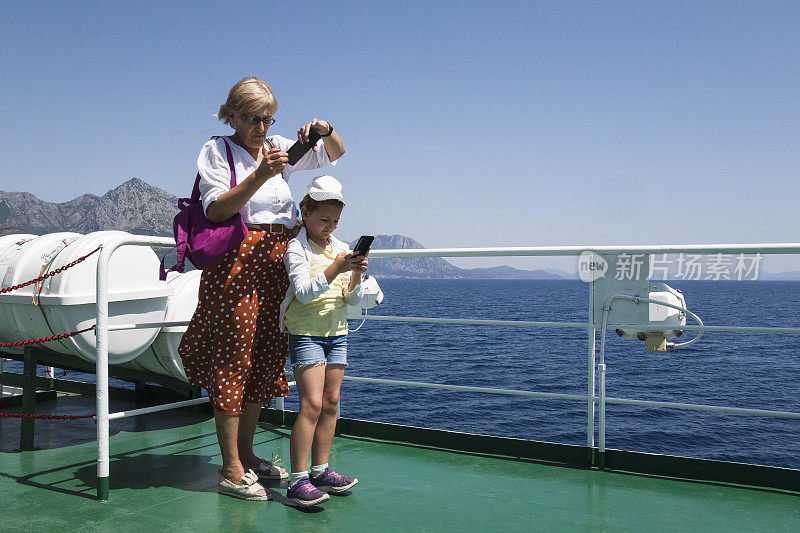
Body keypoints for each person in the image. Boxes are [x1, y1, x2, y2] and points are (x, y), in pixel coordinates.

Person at [178, 77, 345, 501]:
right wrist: (260, 174)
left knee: (263, 358)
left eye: (269, 118)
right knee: (234, 357)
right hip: (238, 260)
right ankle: (231, 467)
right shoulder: (218, 150)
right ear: (231, 114)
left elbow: (336, 153)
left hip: (277, 262)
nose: (263, 127)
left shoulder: (278, 147)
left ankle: (248, 453)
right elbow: (216, 208)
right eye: (255, 118)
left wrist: (322, 128)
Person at [279, 175, 368, 506]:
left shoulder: (342, 249)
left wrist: (355, 271)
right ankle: (298, 479)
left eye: (335, 221)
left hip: (337, 334)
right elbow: (303, 293)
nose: (329, 226)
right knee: (311, 405)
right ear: (305, 212)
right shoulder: (297, 247)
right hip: (306, 334)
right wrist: (335, 268)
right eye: (323, 219)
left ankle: (321, 470)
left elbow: (352, 299)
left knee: (331, 403)